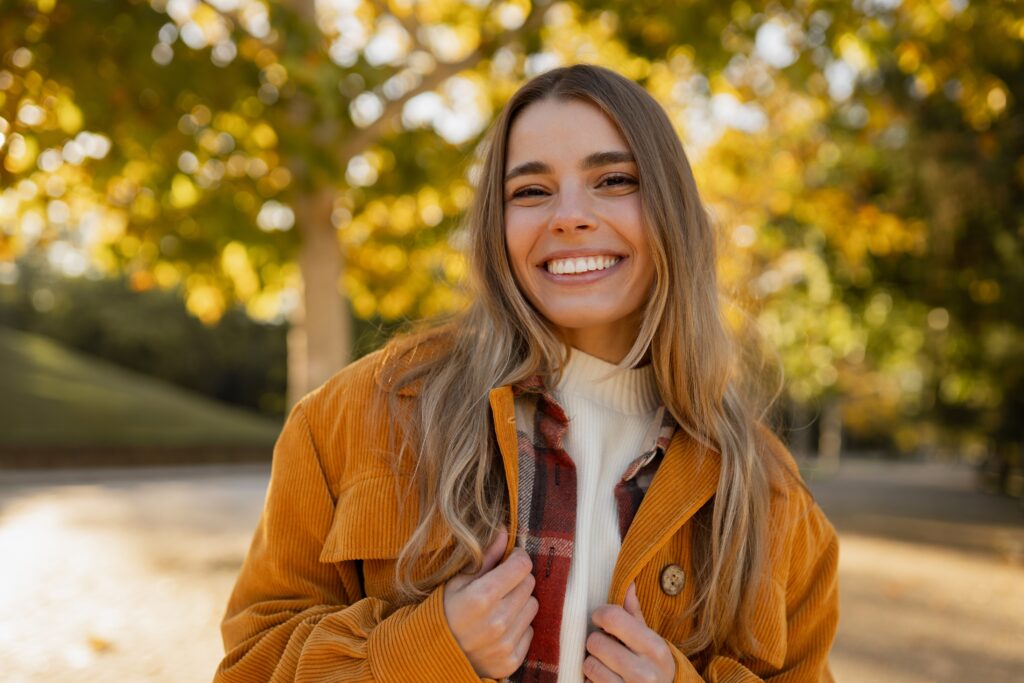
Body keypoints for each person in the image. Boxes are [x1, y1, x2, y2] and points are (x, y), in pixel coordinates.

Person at [214, 64, 838, 683]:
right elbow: (249, 666)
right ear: (496, 228)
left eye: (614, 180)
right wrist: (429, 650)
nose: (569, 216)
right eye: (531, 192)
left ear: (672, 209)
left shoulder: (771, 495)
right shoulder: (354, 414)